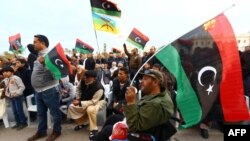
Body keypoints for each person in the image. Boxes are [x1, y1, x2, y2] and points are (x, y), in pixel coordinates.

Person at [94, 69, 175, 141]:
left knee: (107, 130)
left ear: (155, 82)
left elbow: (134, 127)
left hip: (141, 133)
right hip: (142, 123)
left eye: (146, 79)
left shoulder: (155, 104)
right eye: (142, 79)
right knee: (112, 118)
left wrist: (131, 102)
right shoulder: (158, 93)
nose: (141, 81)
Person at [27, 34, 62, 141]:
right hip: (38, 90)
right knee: (41, 113)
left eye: (35, 42)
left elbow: (57, 74)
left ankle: (56, 131)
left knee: (54, 112)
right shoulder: (39, 55)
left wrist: (45, 64)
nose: (33, 44)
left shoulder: (51, 55)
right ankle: (41, 132)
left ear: (42, 43)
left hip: (50, 89)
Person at [67, 70, 107, 140]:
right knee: (71, 107)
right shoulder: (83, 81)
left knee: (90, 109)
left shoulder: (99, 88)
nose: (85, 78)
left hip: (98, 102)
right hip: (84, 100)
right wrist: (78, 98)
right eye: (85, 76)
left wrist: (80, 103)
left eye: (87, 77)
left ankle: (94, 129)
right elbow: (78, 89)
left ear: (93, 78)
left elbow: (93, 102)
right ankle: (82, 123)